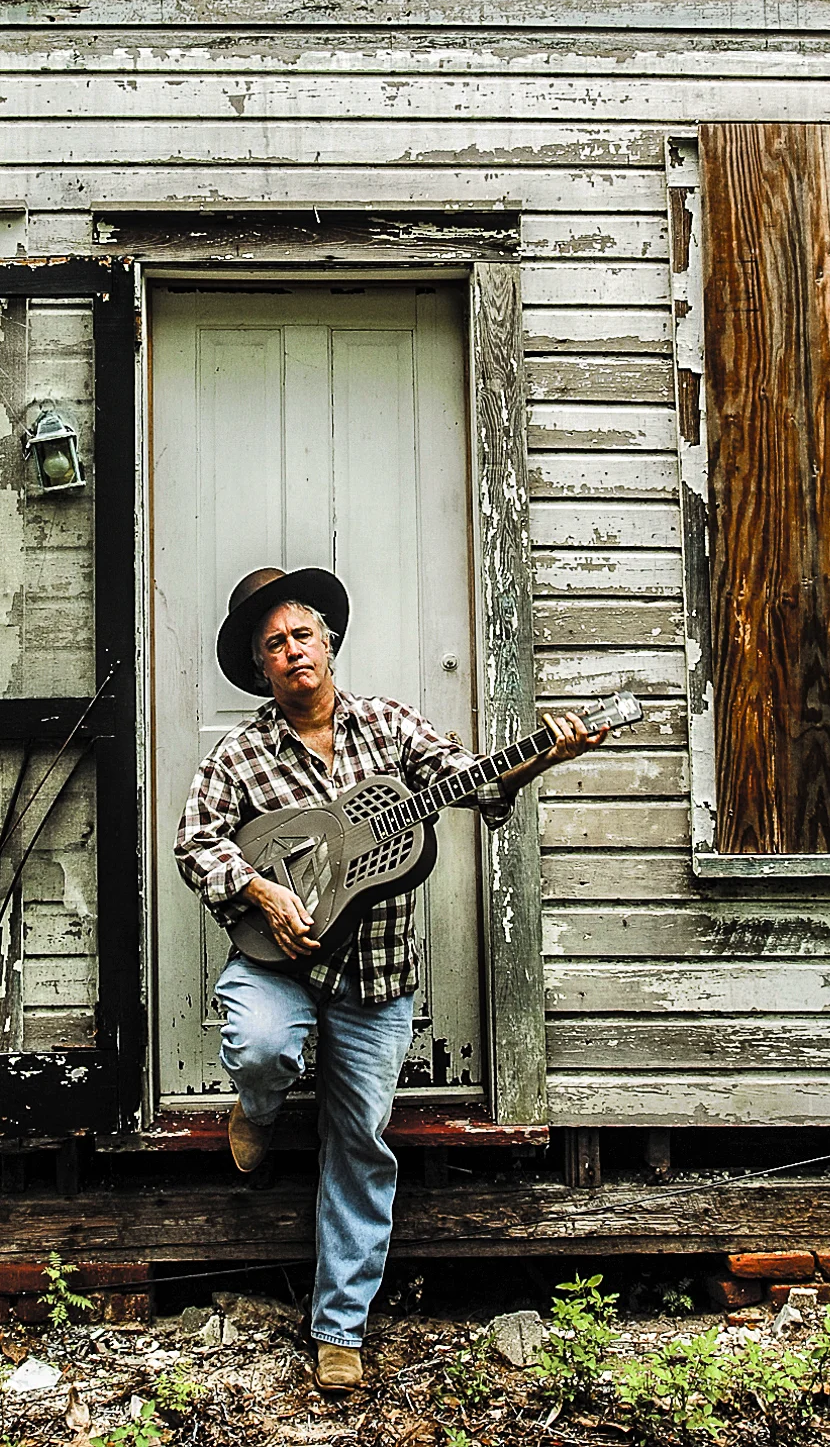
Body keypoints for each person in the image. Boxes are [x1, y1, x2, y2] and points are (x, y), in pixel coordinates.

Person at [175, 566, 606, 1393]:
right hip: (279, 963)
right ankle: (258, 1107)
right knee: (260, 1048)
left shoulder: (387, 724)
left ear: (327, 641)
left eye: (301, 634)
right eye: (274, 644)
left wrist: (534, 761)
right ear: (260, 668)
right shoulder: (238, 753)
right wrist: (259, 888)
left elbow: (470, 781)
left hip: (376, 975)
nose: (291, 651)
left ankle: (339, 1330)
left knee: (360, 1145)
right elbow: (195, 844)